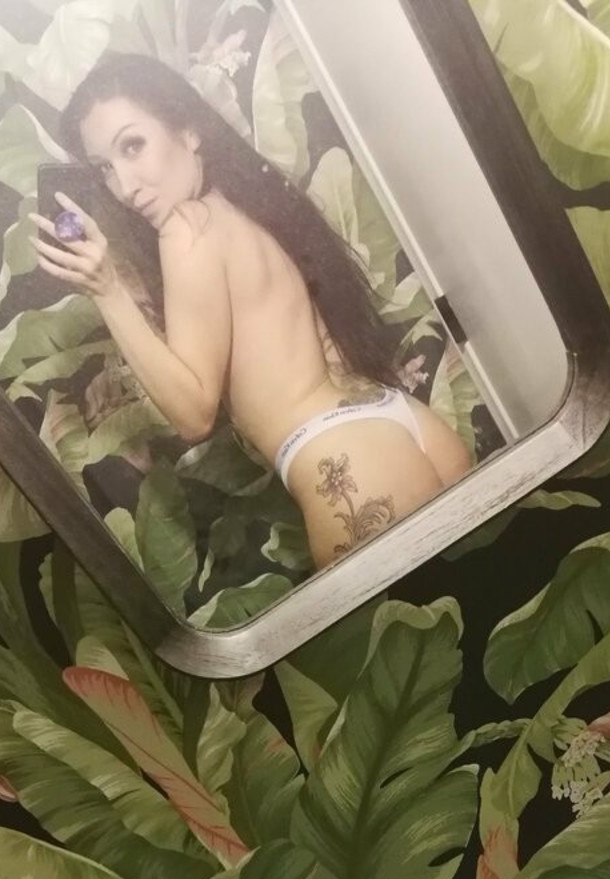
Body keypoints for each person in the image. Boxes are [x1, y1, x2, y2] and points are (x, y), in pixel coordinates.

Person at [31, 52, 472, 569]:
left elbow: (194, 414)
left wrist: (108, 291)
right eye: (105, 168)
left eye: (133, 146)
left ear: (188, 130)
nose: (125, 187)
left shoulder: (186, 230)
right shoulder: (236, 205)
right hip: (398, 419)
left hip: (340, 464)